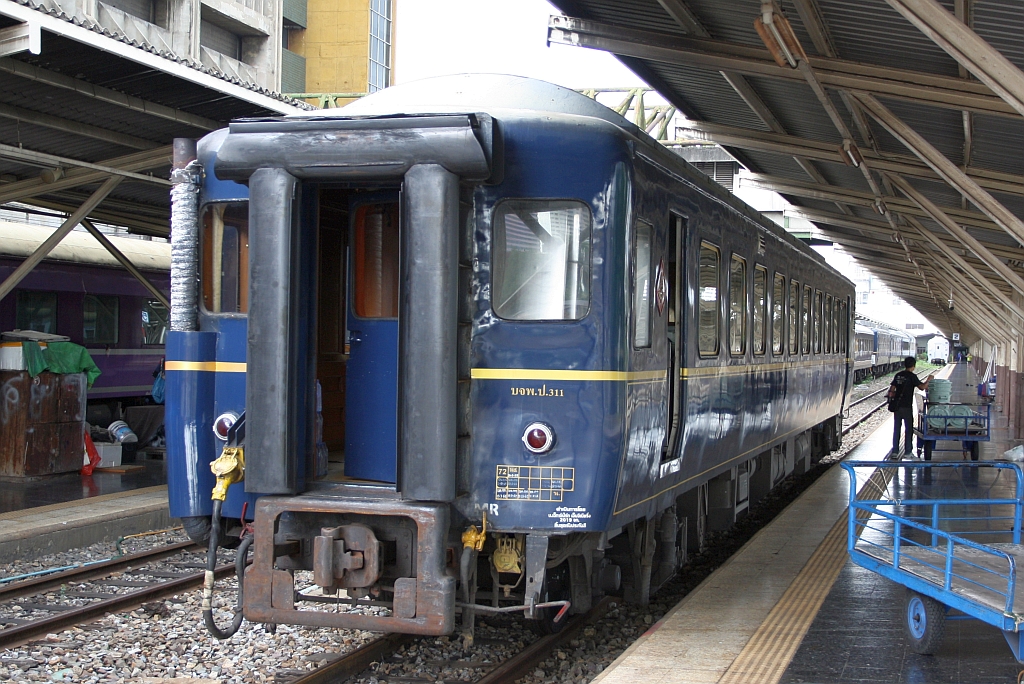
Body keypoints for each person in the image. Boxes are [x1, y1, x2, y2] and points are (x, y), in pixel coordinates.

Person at [889, 356, 930, 458]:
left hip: (897, 407)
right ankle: (908, 452)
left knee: (896, 429)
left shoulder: (898, 375)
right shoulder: (912, 376)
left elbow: (892, 389)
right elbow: (922, 387)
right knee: (909, 429)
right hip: (907, 407)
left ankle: (895, 452)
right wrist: (929, 380)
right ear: (913, 366)